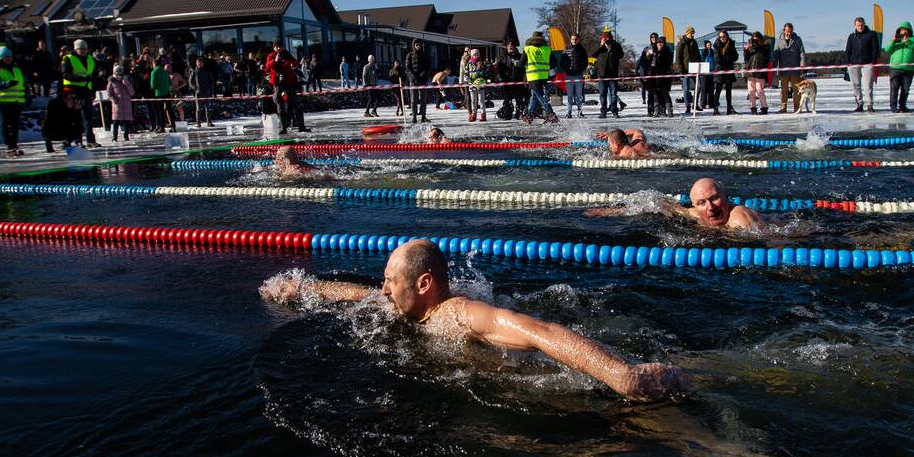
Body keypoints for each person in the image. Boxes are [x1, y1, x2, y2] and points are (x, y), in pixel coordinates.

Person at [260, 239, 688, 401]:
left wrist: (621, 374)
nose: (384, 289)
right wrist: (304, 288)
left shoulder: (458, 314)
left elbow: (537, 331)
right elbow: (362, 295)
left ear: (424, 283)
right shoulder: (409, 304)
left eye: (392, 281)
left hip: (562, 388)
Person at [586, 177, 763, 230]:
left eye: (715, 198)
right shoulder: (695, 214)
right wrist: (610, 212)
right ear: (694, 205)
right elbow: (656, 204)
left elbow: (774, 240)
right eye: (702, 203)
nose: (710, 207)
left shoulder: (739, 219)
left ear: (726, 196)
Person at [0, 46, 28, 157]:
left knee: (15, 123)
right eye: (6, 57)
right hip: (3, 101)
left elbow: (24, 83)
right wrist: (7, 84)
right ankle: (9, 144)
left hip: (17, 100)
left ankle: (14, 143)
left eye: (10, 56)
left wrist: (27, 96)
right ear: (0, 58)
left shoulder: (16, 68)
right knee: (5, 123)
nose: (9, 58)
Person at [61, 39, 99, 145]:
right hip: (73, 90)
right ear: (76, 49)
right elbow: (65, 74)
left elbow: (93, 75)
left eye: (85, 49)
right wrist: (81, 78)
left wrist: (93, 90)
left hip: (86, 90)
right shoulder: (68, 58)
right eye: (81, 49)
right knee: (76, 116)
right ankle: (78, 140)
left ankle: (90, 140)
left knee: (88, 116)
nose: (83, 51)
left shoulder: (90, 59)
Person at [266, 41, 307, 132]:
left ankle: (301, 127)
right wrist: (275, 61)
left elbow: (295, 62)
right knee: (280, 106)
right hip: (278, 83)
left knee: (297, 104)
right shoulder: (271, 56)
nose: (279, 48)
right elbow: (267, 67)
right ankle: (283, 128)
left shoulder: (287, 54)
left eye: (280, 46)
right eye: (277, 47)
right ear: (274, 48)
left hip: (289, 82)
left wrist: (291, 64)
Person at [521, 31, 559, 124]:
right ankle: (530, 115)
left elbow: (521, 63)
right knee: (534, 95)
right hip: (543, 76)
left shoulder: (528, 49)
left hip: (533, 76)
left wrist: (518, 63)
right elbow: (554, 63)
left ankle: (551, 114)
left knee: (539, 95)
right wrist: (545, 67)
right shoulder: (547, 49)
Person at [883, 22, 914, 113]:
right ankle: (893, 107)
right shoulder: (896, 40)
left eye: (905, 30)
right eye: (902, 30)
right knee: (894, 88)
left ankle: (903, 106)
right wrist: (893, 41)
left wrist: (907, 41)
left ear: (909, 31)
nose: (904, 32)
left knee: (905, 89)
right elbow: (887, 49)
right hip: (895, 68)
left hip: (908, 69)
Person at [844, 17, 880, 112]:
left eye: (861, 25)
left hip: (867, 64)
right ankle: (859, 104)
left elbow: (875, 49)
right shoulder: (852, 36)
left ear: (864, 24)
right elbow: (848, 50)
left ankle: (869, 105)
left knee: (868, 85)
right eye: (858, 25)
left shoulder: (871, 34)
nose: (860, 27)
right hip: (854, 64)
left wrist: (873, 61)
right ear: (855, 25)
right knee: (856, 85)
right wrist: (847, 63)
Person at [772, 23, 805, 113]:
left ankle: (796, 107)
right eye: (787, 31)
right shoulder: (778, 40)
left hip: (795, 69)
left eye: (790, 31)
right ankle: (783, 107)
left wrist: (802, 63)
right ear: (784, 30)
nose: (789, 33)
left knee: (796, 89)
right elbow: (776, 55)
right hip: (783, 70)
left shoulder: (798, 39)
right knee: (784, 90)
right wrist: (774, 66)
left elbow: (802, 52)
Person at [592, 30, 625, 118]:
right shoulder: (601, 46)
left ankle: (614, 111)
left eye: (608, 38)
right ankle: (603, 112)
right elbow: (593, 55)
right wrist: (602, 46)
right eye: (605, 39)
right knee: (602, 94)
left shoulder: (616, 45)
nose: (607, 40)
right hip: (602, 75)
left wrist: (611, 48)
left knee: (613, 94)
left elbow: (621, 55)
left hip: (613, 74)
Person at [41, 88, 84, 152]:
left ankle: (69, 143)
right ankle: (48, 145)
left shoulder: (73, 104)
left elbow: (77, 121)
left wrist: (76, 110)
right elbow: (52, 118)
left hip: (65, 127)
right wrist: (68, 108)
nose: (72, 99)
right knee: (46, 128)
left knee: (79, 127)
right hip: (53, 128)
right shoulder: (54, 103)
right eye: (70, 97)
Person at [711, 30, 738, 115]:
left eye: (724, 36)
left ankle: (729, 109)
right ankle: (715, 109)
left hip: (729, 70)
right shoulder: (716, 45)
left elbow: (736, 56)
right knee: (718, 90)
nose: (722, 38)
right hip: (720, 70)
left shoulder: (731, 44)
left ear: (727, 36)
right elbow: (717, 59)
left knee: (729, 90)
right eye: (720, 37)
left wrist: (727, 59)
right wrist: (728, 59)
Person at [495, 41, 525, 118]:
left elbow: (524, 69)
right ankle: (507, 114)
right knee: (507, 100)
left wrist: (523, 78)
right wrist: (502, 77)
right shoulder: (503, 57)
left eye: (512, 46)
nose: (510, 47)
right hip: (507, 81)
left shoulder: (520, 56)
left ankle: (519, 114)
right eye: (509, 46)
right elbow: (500, 70)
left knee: (519, 99)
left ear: (515, 47)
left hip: (518, 81)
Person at [106, 65, 135, 142]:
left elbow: (132, 93)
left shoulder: (125, 81)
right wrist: (113, 99)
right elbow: (109, 93)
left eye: (120, 72)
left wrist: (127, 84)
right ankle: (114, 137)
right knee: (116, 122)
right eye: (117, 72)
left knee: (126, 122)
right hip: (117, 104)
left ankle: (126, 136)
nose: (118, 74)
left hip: (126, 105)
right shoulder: (111, 82)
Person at [744, 31, 770, 115]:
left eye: (757, 39)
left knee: (759, 90)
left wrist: (759, 45)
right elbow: (746, 60)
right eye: (753, 39)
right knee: (751, 91)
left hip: (760, 71)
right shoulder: (750, 46)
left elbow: (766, 57)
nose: (755, 41)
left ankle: (764, 107)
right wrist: (746, 50)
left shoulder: (765, 46)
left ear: (760, 39)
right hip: (750, 71)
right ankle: (753, 107)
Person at [562, 33, 588, 118]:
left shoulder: (582, 50)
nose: (574, 40)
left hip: (578, 75)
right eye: (572, 39)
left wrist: (580, 69)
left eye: (575, 39)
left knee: (578, 95)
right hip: (569, 75)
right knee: (569, 95)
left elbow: (586, 62)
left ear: (578, 40)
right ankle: (569, 112)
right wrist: (566, 68)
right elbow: (561, 61)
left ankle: (580, 112)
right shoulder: (566, 49)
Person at [675, 26, 700, 114]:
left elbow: (698, 54)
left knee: (699, 86)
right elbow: (678, 57)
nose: (692, 35)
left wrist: (700, 64)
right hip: (685, 69)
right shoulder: (682, 43)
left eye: (693, 33)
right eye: (691, 33)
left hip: (695, 68)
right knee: (686, 88)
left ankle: (695, 104)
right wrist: (680, 69)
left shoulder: (694, 42)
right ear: (687, 33)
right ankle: (688, 106)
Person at [405, 40, 431, 123]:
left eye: (419, 45)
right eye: (416, 45)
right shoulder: (410, 55)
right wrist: (412, 77)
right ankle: (414, 117)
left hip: (423, 80)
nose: (418, 46)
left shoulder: (424, 55)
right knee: (413, 100)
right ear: (414, 45)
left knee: (423, 99)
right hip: (413, 81)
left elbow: (428, 66)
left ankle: (423, 117)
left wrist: (425, 73)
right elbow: (407, 68)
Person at [647, 37, 674, 117]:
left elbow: (666, 63)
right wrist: (648, 56)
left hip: (664, 76)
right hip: (654, 76)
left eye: (661, 43)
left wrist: (659, 54)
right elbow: (650, 63)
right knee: (656, 94)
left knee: (665, 94)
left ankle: (669, 110)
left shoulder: (667, 51)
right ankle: (657, 110)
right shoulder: (654, 51)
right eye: (658, 43)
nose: (659, 44)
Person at [149, 61, 176, 132]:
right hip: (167, 93)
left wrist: (154, 87)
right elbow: (170, 82)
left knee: (160, 111)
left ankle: (162, 127)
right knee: (169, 109)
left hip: (159, 93)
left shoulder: (154, 72)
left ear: (154, 64)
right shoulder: (165, 71)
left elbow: (153, 85)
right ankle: (173, 126)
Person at [188, 57, 215, 127]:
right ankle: (198, 122)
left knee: (207, 108)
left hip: (206, 92)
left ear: (203, 63)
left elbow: (211, 81)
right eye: (198, 62)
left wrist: (209, 88)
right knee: (198, 109)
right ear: (196, 63)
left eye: (201, 62)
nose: (199, 64)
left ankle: (209, 122)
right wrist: (195, 88)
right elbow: (190, 82)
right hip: (198, 93)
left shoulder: (207, 71)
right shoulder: (194, 72)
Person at [464, 49, 488, 122]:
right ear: (471, 55)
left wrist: (483, 77)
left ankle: (483, 115)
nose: (476, 56)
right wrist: (468, 80)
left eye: (477, 54)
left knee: (481, 100)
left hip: (480, 84)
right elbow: (466, 73)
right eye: (474, 54)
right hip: (472, 85)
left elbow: (486, 73)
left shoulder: (482, 63)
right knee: (473, 100)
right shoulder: (469, 63)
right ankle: (473, 115)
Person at [637, 32, 657, 105]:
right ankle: (650, 110)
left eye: (655, 37)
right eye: (652, 37)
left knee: (659, 92)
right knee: (650, 93)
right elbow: (641, 62)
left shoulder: (660, 46)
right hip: (650, 73)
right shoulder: (646, 49)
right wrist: (647, 57)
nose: (654, 38)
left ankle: (660, 109)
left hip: (658, 72)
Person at [698, 40, 716, 111]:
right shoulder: (703, 52)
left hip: (712, 71)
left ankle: (711, 103)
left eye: (710, 44)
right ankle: (703, 103)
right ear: (705, 45)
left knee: (711, 89)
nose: (709, 46)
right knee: (704, 88)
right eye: (708, 45)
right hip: (704, 72)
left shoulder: (713, 52)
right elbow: (701, 60)